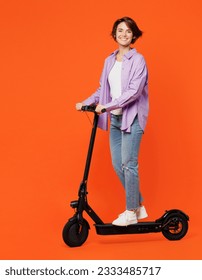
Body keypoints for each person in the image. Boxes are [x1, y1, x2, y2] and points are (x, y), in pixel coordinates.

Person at [76, 17, 149, 226]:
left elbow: (133, 92)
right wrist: (86, 102)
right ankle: (138, 205)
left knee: (129, 165)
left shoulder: (138, 60)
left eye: (128, 31)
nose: (123, 34)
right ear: (114, 34)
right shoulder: (109, 61)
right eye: (119, 31)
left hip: (132, 118)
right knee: (118, 164)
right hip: (115, 119)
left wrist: (106, 106)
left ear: (134, 35)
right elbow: (103, 90)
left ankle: (130, 211)